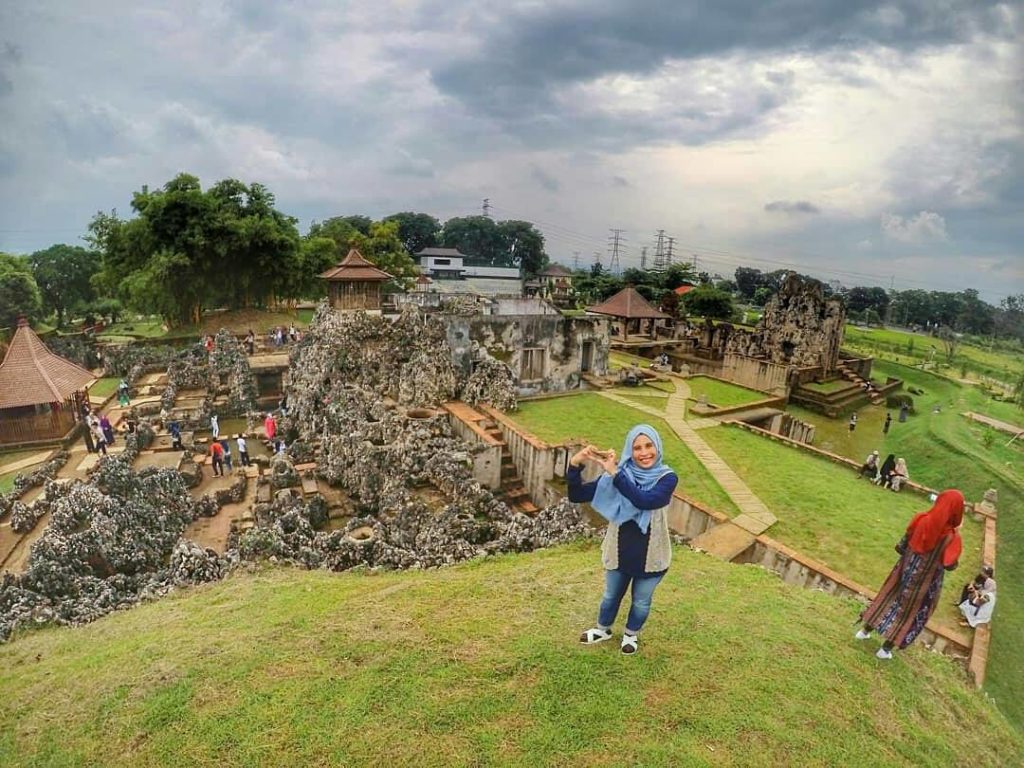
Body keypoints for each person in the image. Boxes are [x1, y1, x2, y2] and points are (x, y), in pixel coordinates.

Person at [568, 424, 679, 656]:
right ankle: (603, 630)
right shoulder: (619, 475)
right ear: (630, 450)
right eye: (637, 447)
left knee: (641, 602)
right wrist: (576, 464)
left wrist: (616, 473)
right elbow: (576, 494)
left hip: (652, 557)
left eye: (649, 445)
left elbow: (645, 501)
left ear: (657, 447)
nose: (644, 452)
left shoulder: (667, 478)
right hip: (619, 551)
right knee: (610, 597)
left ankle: (630, 634)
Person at [855, 489, 964, 659]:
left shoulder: (921, 519)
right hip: (925, 586)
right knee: (910, 613)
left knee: (888, 598)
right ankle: (885, 650)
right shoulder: (952, 538)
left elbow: (900, 547)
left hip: (903, 573)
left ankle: (864, 631)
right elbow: (950, 565)